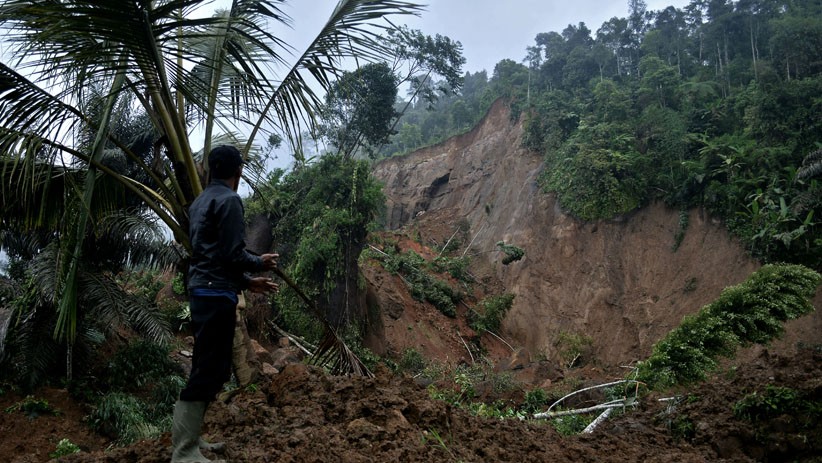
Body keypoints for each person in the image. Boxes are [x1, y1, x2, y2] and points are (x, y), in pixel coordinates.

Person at [172, 145, 279, 463]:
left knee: (208, 367)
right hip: (216, 294)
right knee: (210, 370)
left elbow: (212, 256)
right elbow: (233, 255)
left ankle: (191, 438)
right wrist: (259, 262)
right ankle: (183, 451)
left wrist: (247, 283)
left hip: (202, 290)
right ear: (239, 172)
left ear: (209, 170)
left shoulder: (199, 202)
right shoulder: (230, 200)